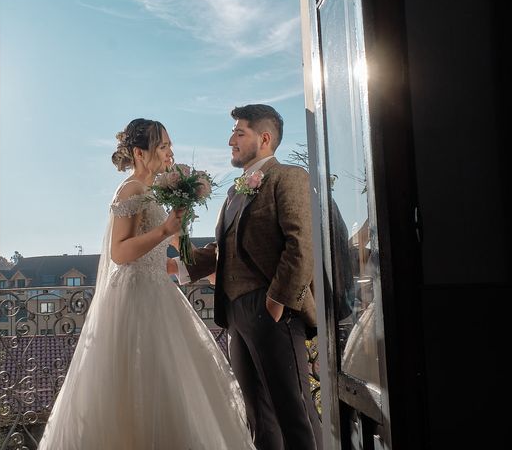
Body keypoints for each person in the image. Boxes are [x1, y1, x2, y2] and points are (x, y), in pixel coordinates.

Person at [38, 118, 255, 450]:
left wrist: (193, 258)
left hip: (157, 292)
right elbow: (120, 253)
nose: (170, 152)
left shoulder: (150, 191)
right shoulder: (132, 190)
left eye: (170, 145)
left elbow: (154, 258)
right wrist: (166, 231)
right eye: (163, 146)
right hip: (137, 301)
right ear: (139, 153)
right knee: (144, 387)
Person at [172, 104, 323, 450]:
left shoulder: (288, 177)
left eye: (240, 132)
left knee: (294, 412)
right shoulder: (234, 191)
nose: (230, 140)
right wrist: (179, 262)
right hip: (236, 314)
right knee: (257, 417)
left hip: (272, 309)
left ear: (265, 138)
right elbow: (223, 250)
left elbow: (301, 244)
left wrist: (276, 302)